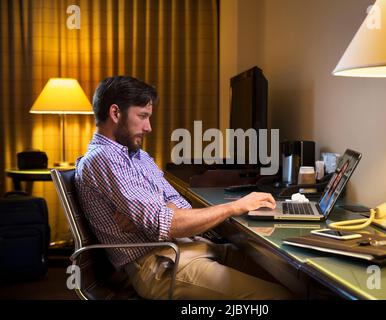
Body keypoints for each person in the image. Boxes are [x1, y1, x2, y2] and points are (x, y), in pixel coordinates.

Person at [75, 76, 293, 300]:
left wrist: (157, 214)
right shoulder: (103, 159)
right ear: (115, 113)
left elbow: (178, 205)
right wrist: (235, 206)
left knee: (291, 279)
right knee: (277, 296)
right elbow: (167, 224)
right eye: (142, 116)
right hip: (159, 264)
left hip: (184, 246)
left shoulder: (137, 156)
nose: (148, 127)